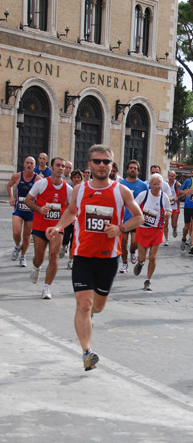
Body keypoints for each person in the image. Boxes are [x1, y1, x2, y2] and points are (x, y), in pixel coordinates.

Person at [46, 145, 144, 371]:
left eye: (106, 162)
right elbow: (71, 211)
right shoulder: (79, 190)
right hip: (82, 256)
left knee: (97, 307)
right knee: (83, 304)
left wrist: (120, 228)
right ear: (89, 164)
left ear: (112, 166)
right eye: (97, 161)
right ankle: (87, 352)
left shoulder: (121, 192)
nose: (102, 165)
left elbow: (138, 217)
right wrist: (59, 227)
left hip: (108, 259)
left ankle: (90, 318)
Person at [25, 157, 72, 299]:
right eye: (58, 165)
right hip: (40, 227)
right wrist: (39, 209)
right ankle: (37, 267)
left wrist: (67, 219)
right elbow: (27, 200)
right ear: (51, 168)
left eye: (63, 166)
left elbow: (70, 209)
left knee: (53, 256)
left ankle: (47, 288)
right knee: (39, 258)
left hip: (57, 228)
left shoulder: (68, 189)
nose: (61, 168)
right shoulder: (41, 184)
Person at [134, 173, 172, 291]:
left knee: (153, 257)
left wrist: (167, 214)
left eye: (158, 184)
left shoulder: (164, 197)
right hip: (143, 229)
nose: (156, 186)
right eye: (154, 184)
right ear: (150, 184)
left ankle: (148, 280)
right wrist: (138, 216)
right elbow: (133, 206)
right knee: (142, 257)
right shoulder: (143, 195)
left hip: (156, 230)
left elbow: (169, 210)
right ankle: (140, 263)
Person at [7, 156, 38, 267]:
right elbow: (9, 185)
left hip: (30, 212)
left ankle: (23, 256)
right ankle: (17, 246)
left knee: (26, 236)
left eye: (31, 164)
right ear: (24, 164)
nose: (29, 165)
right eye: (27, 163)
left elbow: (43, 192)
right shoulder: (17, 176)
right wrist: (11, 197)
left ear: (35, 166)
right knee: (16, 232)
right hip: (19, 209)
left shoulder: (37, 179)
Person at [118, 159, 147, 273]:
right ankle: (125, 264)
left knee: (134, 242)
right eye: (131, 168)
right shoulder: (120, 185)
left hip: (136, 218)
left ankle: (133, 251)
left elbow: (146, 200)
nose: (133, 169)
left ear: (138, 171)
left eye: (135, 168)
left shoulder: (143, 185)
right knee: (123, 242)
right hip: (123, 218)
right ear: (127, 170)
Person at [62, 169, 84, 269]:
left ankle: (71, 260)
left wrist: (78, 217)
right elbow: (66, 204)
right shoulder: (69, 189)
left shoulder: (84, 190)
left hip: (78, 219)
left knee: (74, 241)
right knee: (66, 238)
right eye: (74, 178)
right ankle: (63, 246)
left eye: (78, 178)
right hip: (69, 217)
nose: (76, 179)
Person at [164, 170, 181, 245]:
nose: (171, 178)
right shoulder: (165, 184)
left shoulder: (177, 184)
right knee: (165, 223)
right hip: (167, 206)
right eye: (170, 176)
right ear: (168, 176)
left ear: (175, 176)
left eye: (172, 176)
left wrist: (178, 197)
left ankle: (174, 228)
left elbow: (183, 192)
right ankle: (166, 239)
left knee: (173, 224)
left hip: (174, 206)